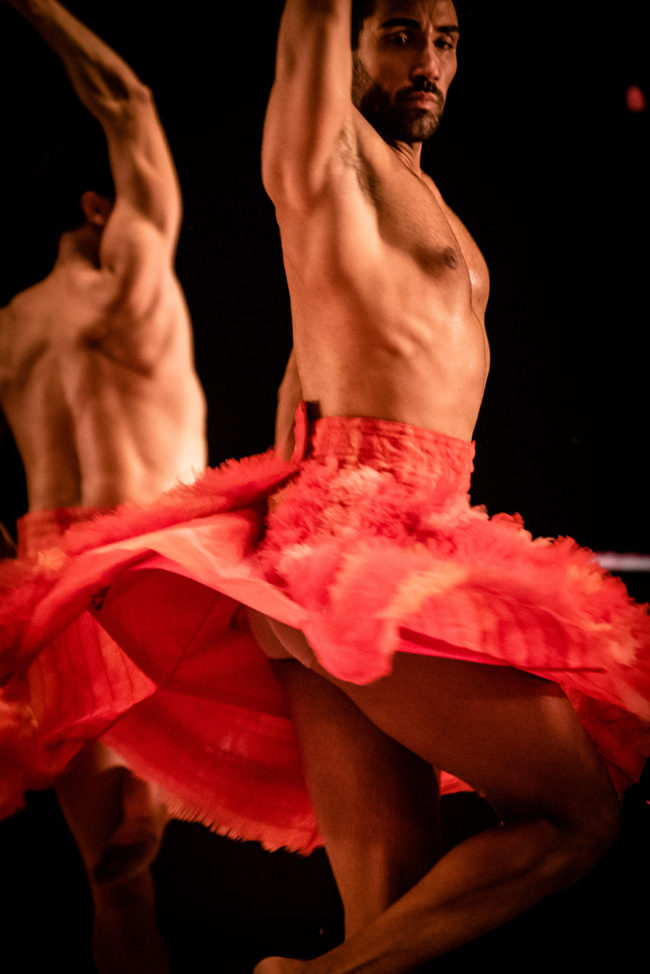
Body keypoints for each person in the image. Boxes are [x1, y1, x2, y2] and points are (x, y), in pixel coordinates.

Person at [0, 2, 649, 971]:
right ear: (341, 42)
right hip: (362, 552)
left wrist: (286, 545)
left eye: (445, 39)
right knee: (576, 813)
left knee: (386, 911)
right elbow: (162, 89)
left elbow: (299, 383)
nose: (426, 60)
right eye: (396, 34)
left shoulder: (414, 206)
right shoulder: (326, 163)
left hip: (355, 544)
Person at [0, 1, 206, 971]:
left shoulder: (11, 326)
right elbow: (129, 100)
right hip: (145, 566)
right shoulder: (134, 286)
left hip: (47, 582)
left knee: (116, 883)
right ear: (97, 208)